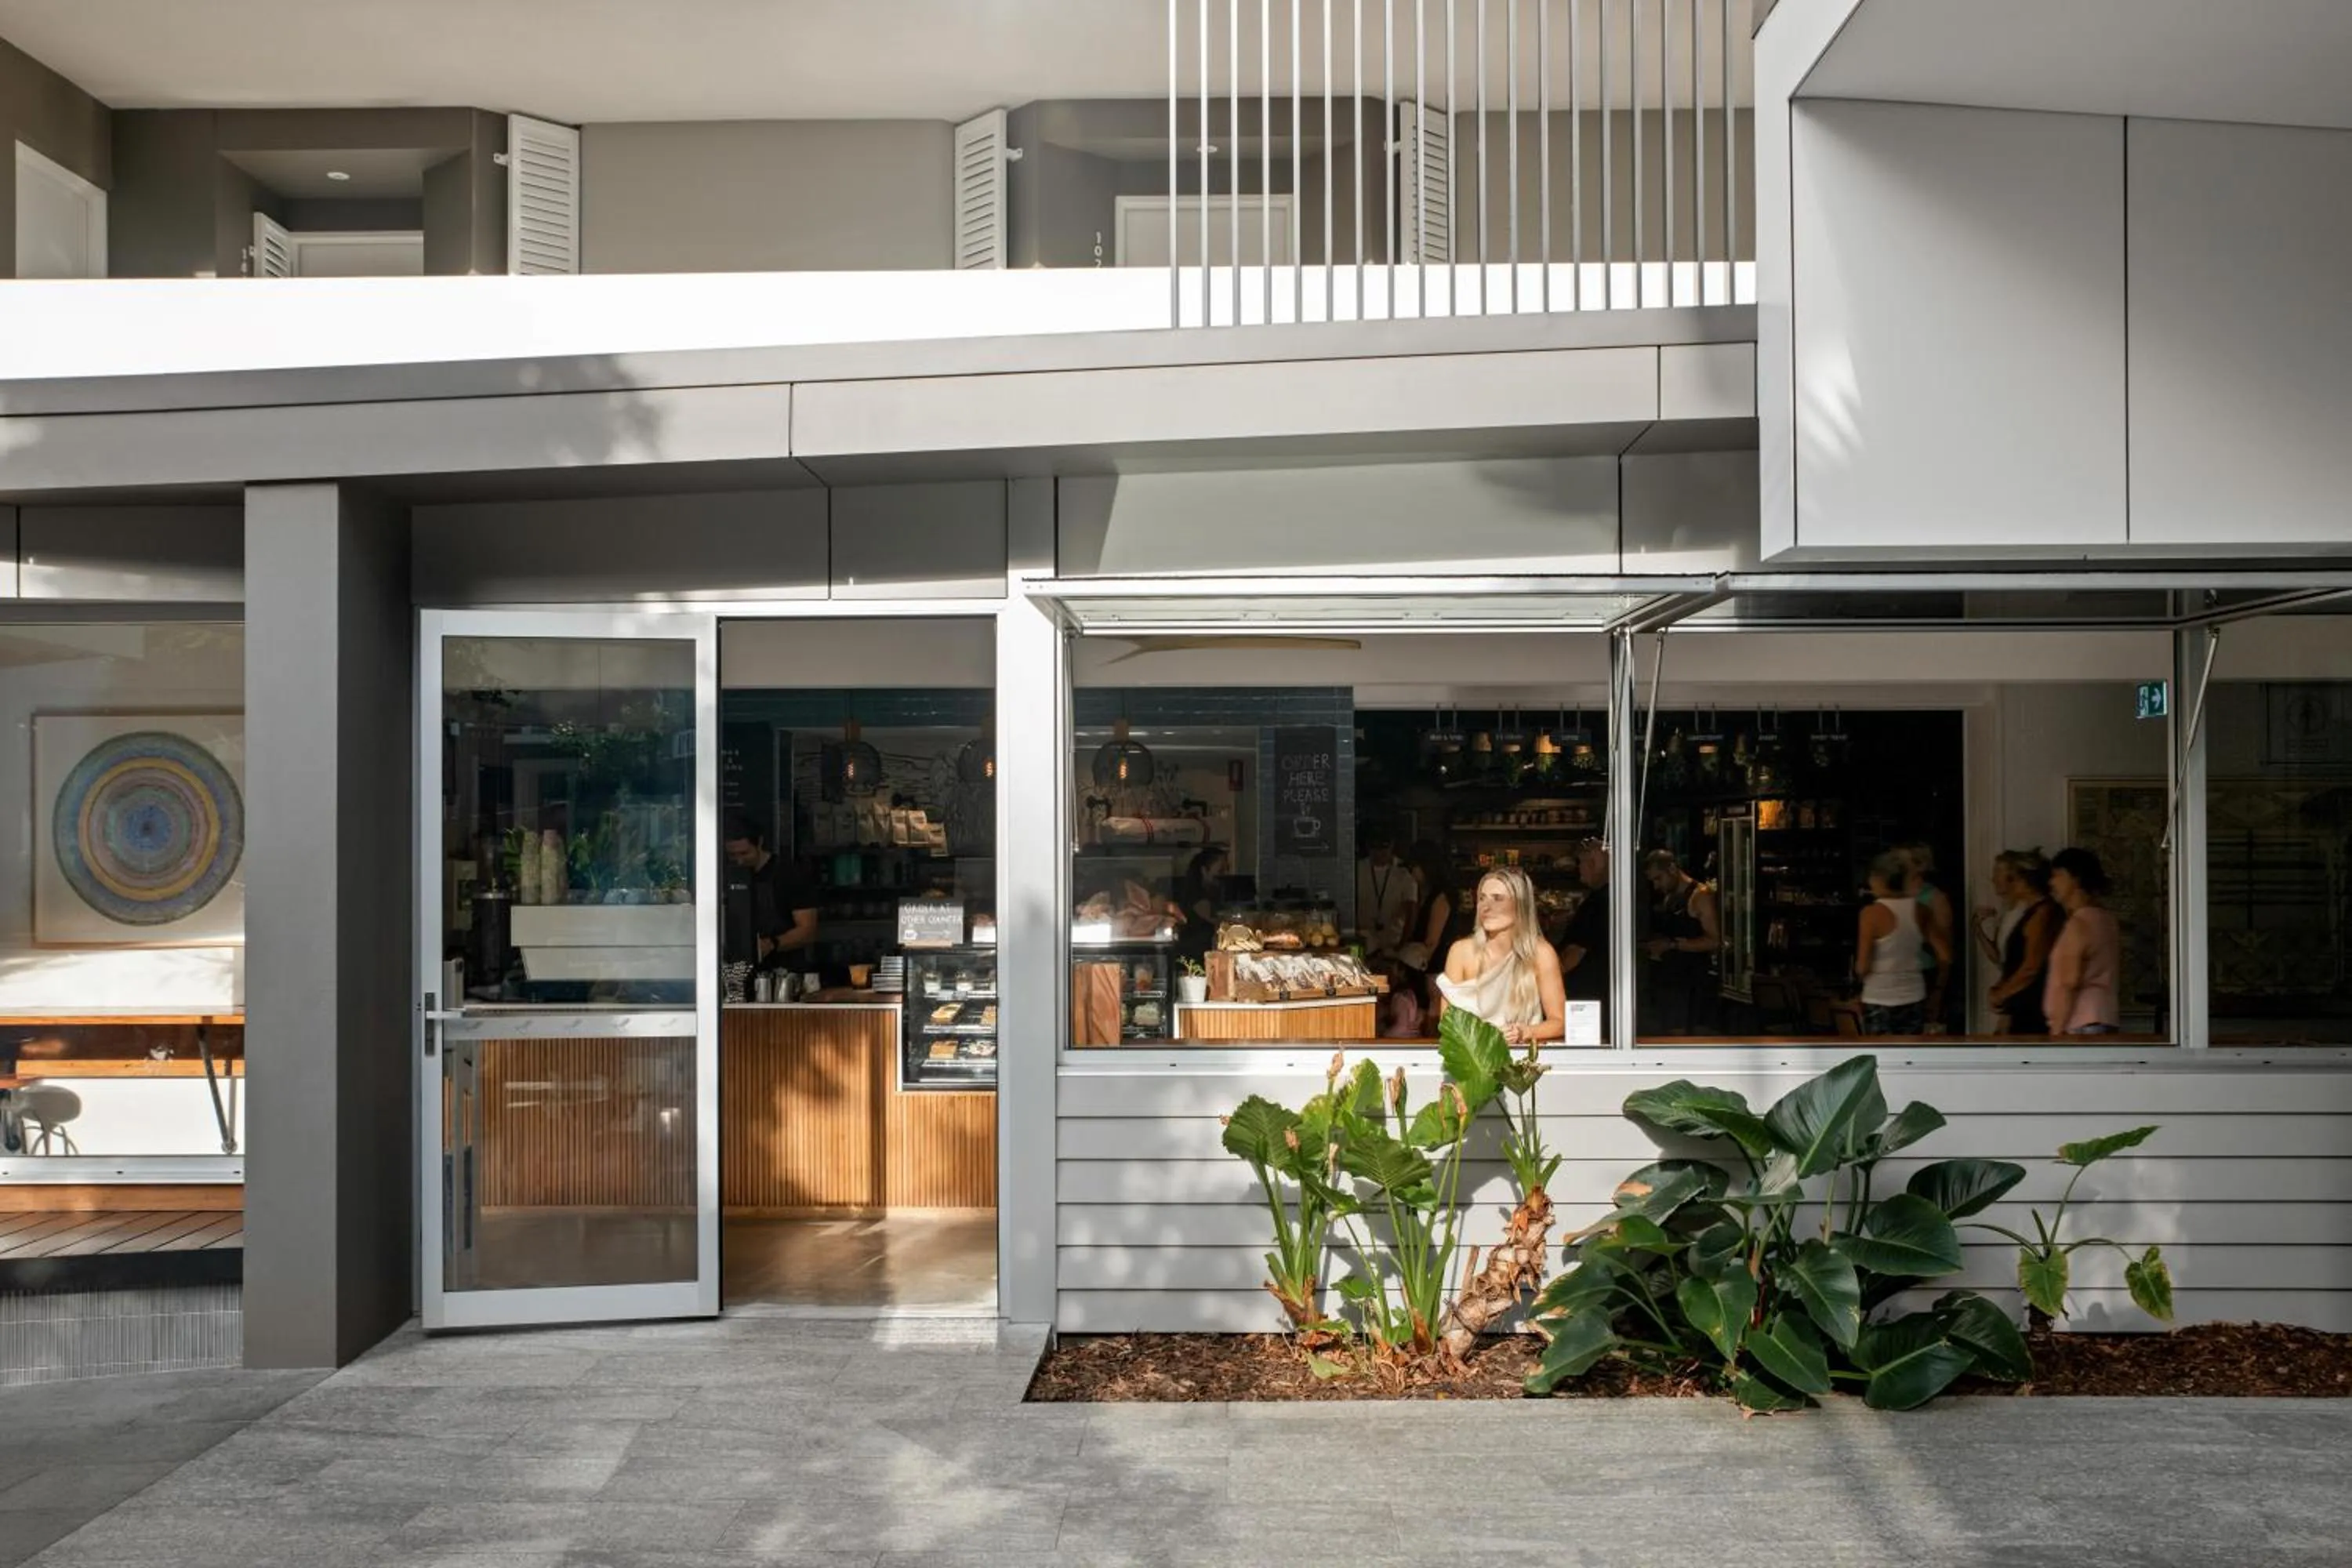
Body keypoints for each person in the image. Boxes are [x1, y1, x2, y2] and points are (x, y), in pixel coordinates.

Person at [1436, 866, 1567, 1046]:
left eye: (1498, 898)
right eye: (1482, 898)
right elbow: (1447, 1026)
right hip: (1472, 1062)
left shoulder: (1541, 953)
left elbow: (1560, 1022)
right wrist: (1487, 1038)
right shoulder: (1461, 952)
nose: (1486, 907)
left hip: (1522, 1062)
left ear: (1520, 905)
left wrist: (1526, 1032)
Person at [1857, 850, 1947, 1035]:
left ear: (1880, 879)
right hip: (1913, 994)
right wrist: (1937, 988)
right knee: (1910, 1058)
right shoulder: (1921, 911)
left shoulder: (1871, 914)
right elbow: (1946, 956)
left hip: (1878, 996)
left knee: (1880, 1058)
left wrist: (1859, 982)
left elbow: (1862, 966)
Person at [1979, 849, 2063, 1036]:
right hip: (2020, 1007)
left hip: (2033, 1009)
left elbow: (2031, 967)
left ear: (2021, 879)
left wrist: (2001, 994)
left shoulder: (2042, 914)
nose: (1995, 880)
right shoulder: (2031, 912)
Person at [724, 810, 819, 971]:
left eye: (744, 853)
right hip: (736, 970)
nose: (739, 861)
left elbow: (808, 931)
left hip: (784, 972)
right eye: (732, 855)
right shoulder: (722, 875)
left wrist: (772, 944)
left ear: (760, 843)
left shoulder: (789, 873)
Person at [2045, 847, 2123, 1036]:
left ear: (2075, 878)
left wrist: (2056, 1031)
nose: (2051, 882)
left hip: (2080, 1023)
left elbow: (2068, 983)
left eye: (2057, 875)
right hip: (2104, 1017)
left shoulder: (2078, 924)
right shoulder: (2106, 920)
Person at [1641, 849, 1721, 1034]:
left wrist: (1673, 945)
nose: (1656, 886)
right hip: (1668, 982)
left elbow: (1714, 940)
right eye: (1652, 881)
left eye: (1658, 879)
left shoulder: (1700, 896)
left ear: (1672, 869)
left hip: (1691, 984)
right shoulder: (1669, 896)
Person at [1900, 840, 1956, 1033]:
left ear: (1919, 865)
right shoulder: (1892, 894)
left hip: (1924, 976)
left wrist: (1938, 991)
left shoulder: (1935, 898)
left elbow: (1945, 951)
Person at [1396, 841, 1461, 1009]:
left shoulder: (1441, 897)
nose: (1412, 873)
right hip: (1423, 967)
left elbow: (1432, 942)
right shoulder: (1424, 893)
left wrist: (1410, 961)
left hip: (1434, 969)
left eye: (1414, 867)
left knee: (1431, 1014)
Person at [1556, 838, 1611, 1033]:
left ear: (1596, 863)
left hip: (1589, 993)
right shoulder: (1600, 898)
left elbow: (1576, 952)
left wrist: (1550, 979)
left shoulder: (1600, 902)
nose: (1578, 869)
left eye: (1581, 863)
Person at [1356, 828, 1419, 959]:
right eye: (1375, 847)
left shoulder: (1404, 872)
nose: (1379, 852)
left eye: (1383, 847)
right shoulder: (1357, 869)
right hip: (1364, 940)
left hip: (1393, 942)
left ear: (1392, 846)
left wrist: (1402, 945)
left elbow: (1411, 911)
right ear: (1368, 847)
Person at [1172, 844, 1229, 962]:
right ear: (1204, 871)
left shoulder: (1213, 893)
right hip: (1196, 957)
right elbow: (1218, 920)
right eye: (1221, 870)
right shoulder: (1196, 897)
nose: (1226, 874)